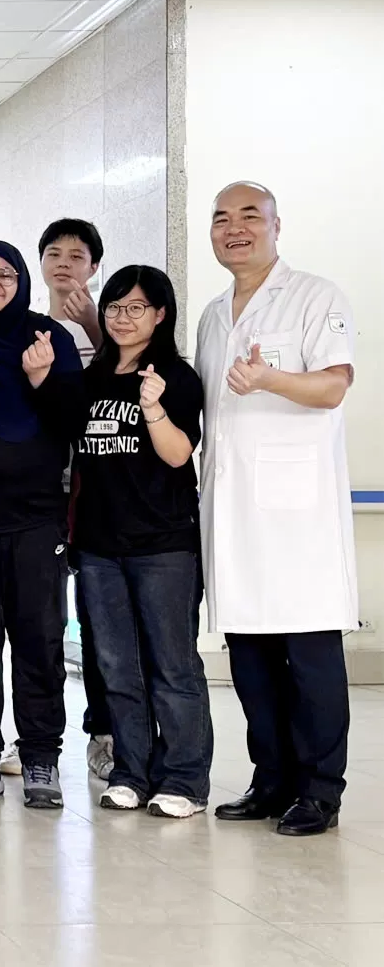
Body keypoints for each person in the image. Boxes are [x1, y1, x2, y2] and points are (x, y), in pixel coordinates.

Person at [199, 182, 357, 837]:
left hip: (297, 521)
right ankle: (271, 780)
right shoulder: (213, 313)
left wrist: (267, 378)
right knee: (251, 662)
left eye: (248, 217)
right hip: (233, 517)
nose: (233, 228)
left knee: (309, 660)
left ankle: (319, 790)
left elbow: (331, 386)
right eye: (220, 219)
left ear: (274, 225)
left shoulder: (317, 296)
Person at [55, 265, 210, 818]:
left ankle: (185, 780)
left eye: (135, 308)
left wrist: (153, 408)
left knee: (173, 666)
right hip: (99, 545)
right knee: (117, 666)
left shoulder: (175, 376)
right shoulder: (94, 377)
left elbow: (176, 454)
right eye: (115, 308)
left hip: (163, 544)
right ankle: (132, 771)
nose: (123, 318)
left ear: (160, 314)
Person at [0, 240, 82, 810]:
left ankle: (42, 757)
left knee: (39, 638)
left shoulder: (49, 338)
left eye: (6, 274)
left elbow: (76, 422)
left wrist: (44, 379)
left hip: (35, 517)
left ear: (22, 281)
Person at [38, 217, 115, 782]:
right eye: (54, 253)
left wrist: (91, 322)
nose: (65, 262)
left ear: (94, 265)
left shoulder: (112, 330)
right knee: (37, 622)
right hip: (40, 493)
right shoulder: (27, 329)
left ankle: (106, 731)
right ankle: (33, 740)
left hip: (98, 495)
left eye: (77, 254)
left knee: (98, 618)